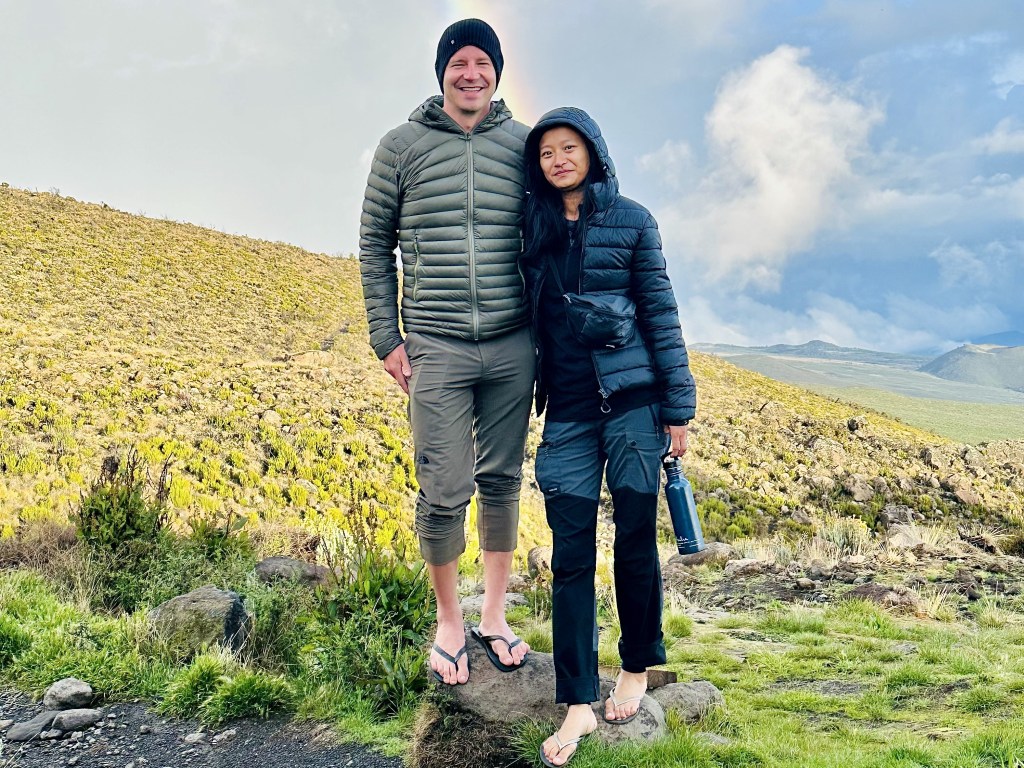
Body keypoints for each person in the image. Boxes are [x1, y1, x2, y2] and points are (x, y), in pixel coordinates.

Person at [358, 19, 534, 686]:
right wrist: (387, 338)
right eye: (458, 62)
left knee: (503, 480)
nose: (471, 73)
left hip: (514, 342)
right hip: (435, 343)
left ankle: (494, 614)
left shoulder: (524, 146)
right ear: (442, 73)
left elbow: (551, 236)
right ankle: (449, 622)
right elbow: (375, 246)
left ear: (497, 72)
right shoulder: (400, 147)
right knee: (442, 488)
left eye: (482, 62)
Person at [521, 107, 696, 767]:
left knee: (634, 542)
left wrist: (678, 408)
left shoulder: (633, 220)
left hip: (633, 408)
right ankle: (576, 703)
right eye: (547, 153)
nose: (559, 160)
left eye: (569, 148)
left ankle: (636, 666)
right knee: (570, 557)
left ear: (592, 152)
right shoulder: (532, 226)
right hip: (566, 413)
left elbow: (660, 312)